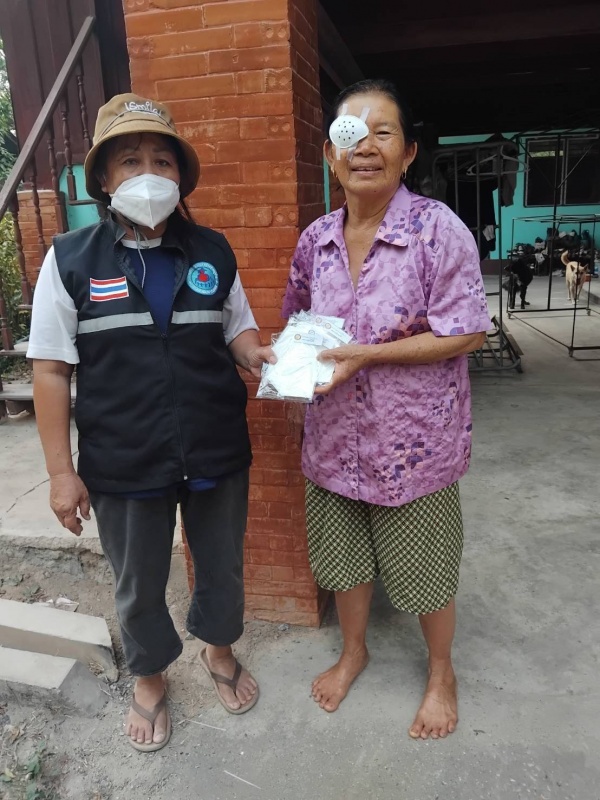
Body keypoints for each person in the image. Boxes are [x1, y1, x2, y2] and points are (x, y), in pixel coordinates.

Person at [27, 94, 274, 752]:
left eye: (162, 160)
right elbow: (50, 370)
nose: (147, 173)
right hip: (124, 455)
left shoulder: (212, 251)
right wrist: (61, 473)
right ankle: (151, 674)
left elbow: (239, 330)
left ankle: (219, 650)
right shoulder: (71, 259)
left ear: (181, 176)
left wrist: (259, 355)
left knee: (221, 565)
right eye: (130, 161)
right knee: (137, 579)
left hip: (214, 445)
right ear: (103, 178)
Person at [282, 79, 492, 740]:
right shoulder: (315, 240)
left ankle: (441, 673)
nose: (365, 147)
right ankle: (354, 652)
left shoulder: (437, 231)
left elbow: (467, 331)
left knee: (426, 569)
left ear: (408, 153)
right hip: (332, 441)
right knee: (343, 561)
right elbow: (299, 325)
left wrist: (367, 355)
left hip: (413, 448)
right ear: (330, 154)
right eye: (351, 134)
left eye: (384, 133)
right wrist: (280, 364)